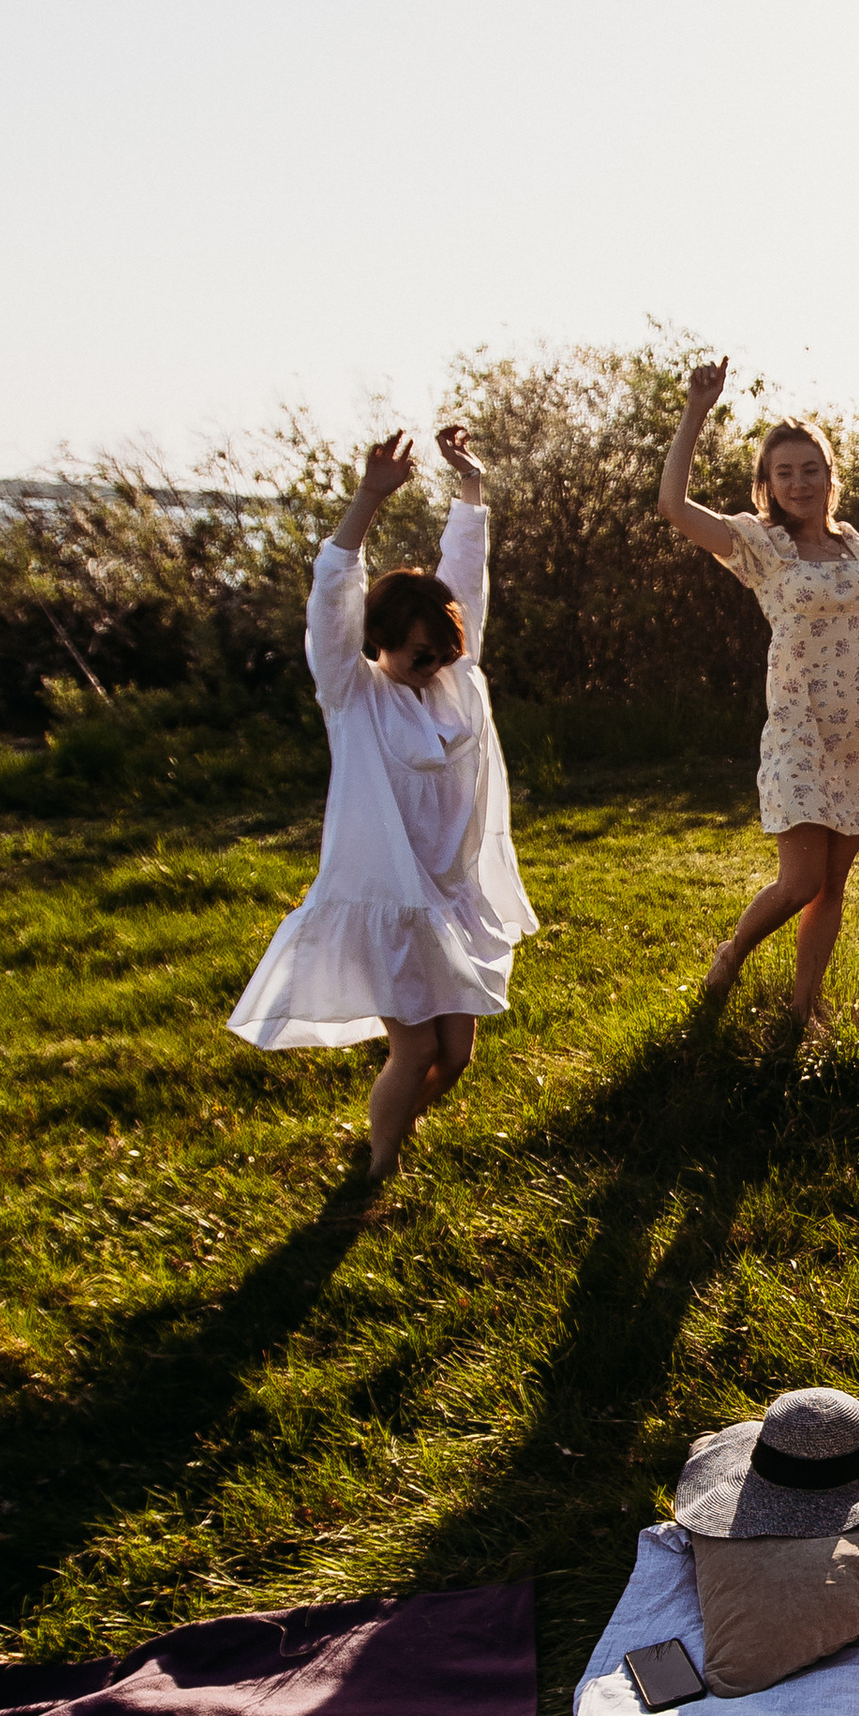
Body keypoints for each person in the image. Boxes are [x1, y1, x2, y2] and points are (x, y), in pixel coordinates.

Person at [230, 422, 537, 1183]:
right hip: (391, 902)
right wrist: (369, 496)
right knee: (418, 1048)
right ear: (381, 640)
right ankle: (377, 1165)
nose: (432, 664)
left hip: (450, 896)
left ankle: (388, 1128)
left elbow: (467, 575)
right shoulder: (352, 693)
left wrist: (471, 487)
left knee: (457, 1054)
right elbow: (331, 589)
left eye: (445, 650)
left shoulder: (458, 683)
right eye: (417, 652)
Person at [655, 361, 859, 1026]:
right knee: (799, 881)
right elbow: (674, 509)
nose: (799, 483)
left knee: (832, 884)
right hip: (801, 730)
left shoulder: (851, 544)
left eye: (810, 470)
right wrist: (695, 413)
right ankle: (732, 953)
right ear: (767, 484)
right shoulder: (759, 546)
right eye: (784, 473)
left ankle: (804, 1009)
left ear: (830, 478)